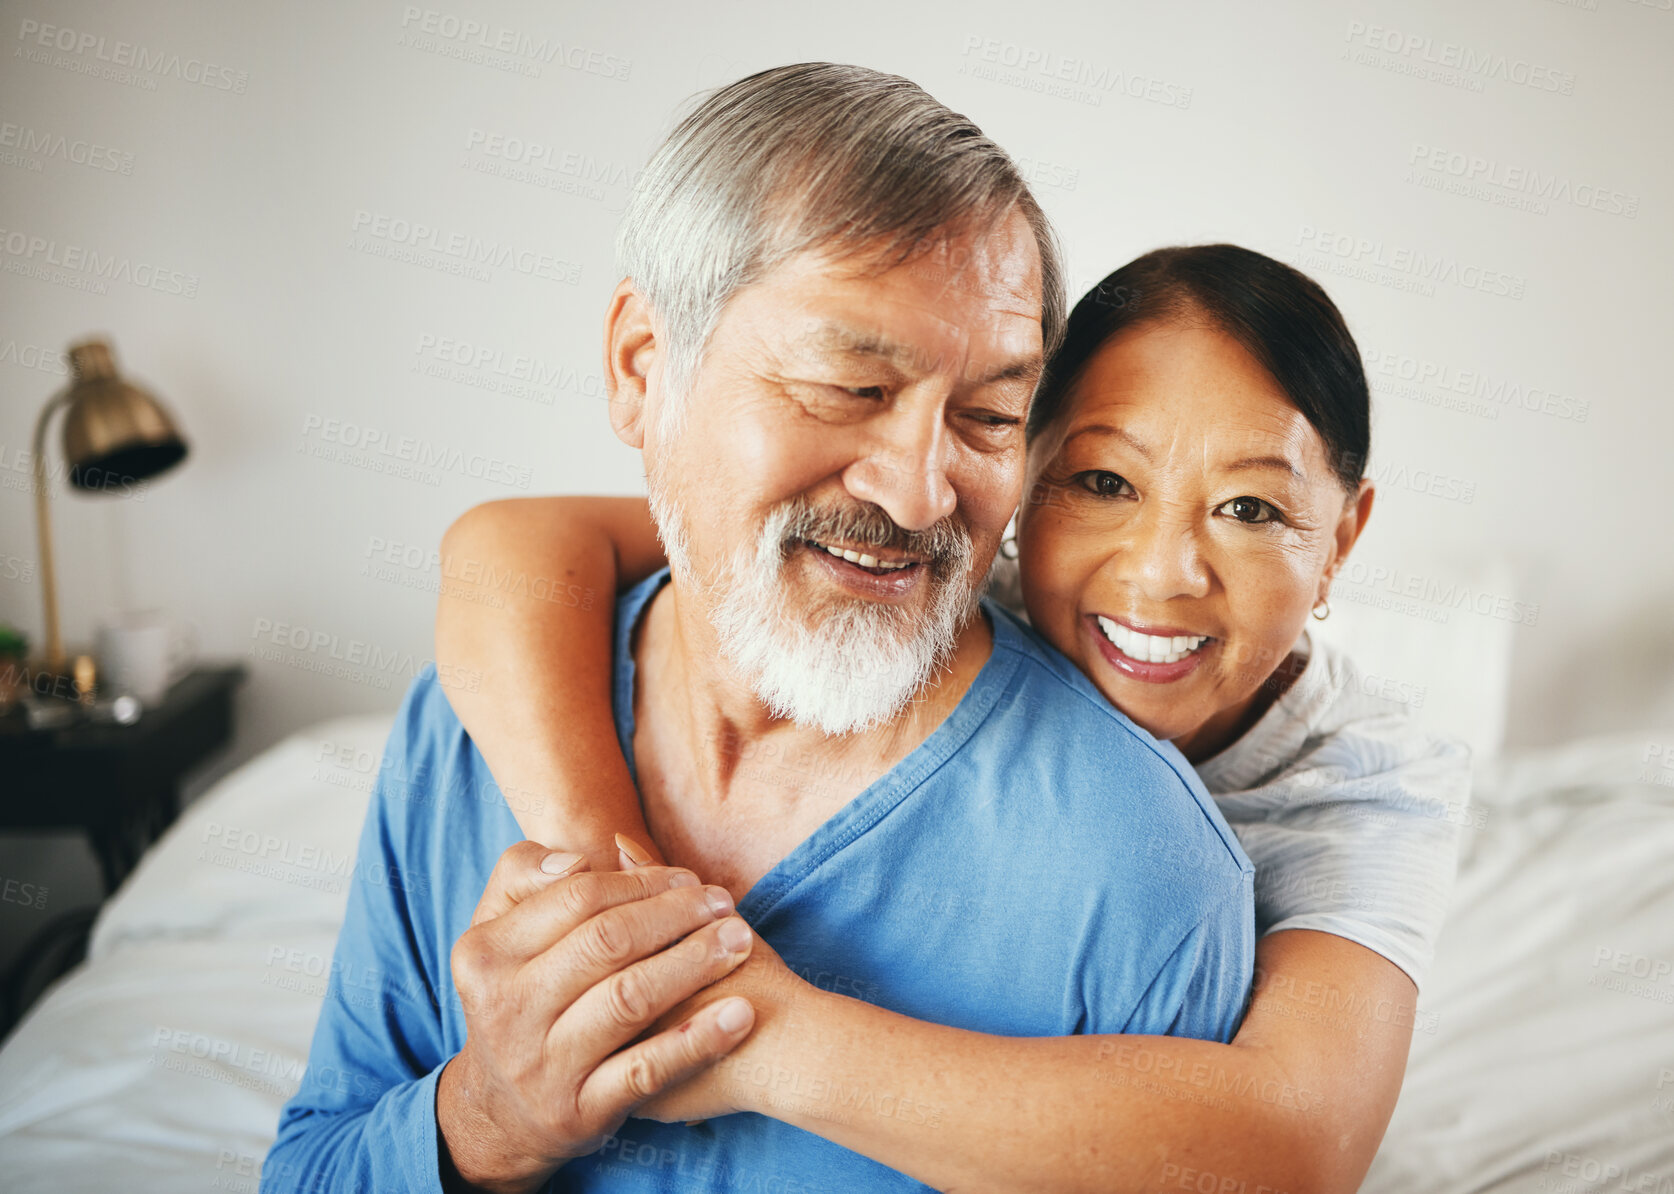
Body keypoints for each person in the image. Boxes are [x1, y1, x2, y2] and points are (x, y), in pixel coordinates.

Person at [265, 63, 1254, 1194]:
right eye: (849, 387)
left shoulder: (1146, 869)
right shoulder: (464, 725)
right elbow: (312, 1166)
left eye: (988, 417)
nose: (922, 493)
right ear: (643, 366)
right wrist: (488, 1122)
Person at [432, 242, 1468, 1191]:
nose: (1161, 572)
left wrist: (763, 1038)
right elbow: (509, 548)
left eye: (1252, 509)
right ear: (1020, 481)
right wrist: (606, 884)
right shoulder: (951, 581)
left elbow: (1298, 1148)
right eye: (1102, 481)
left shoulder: (1366, 782)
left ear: (1342, 538)